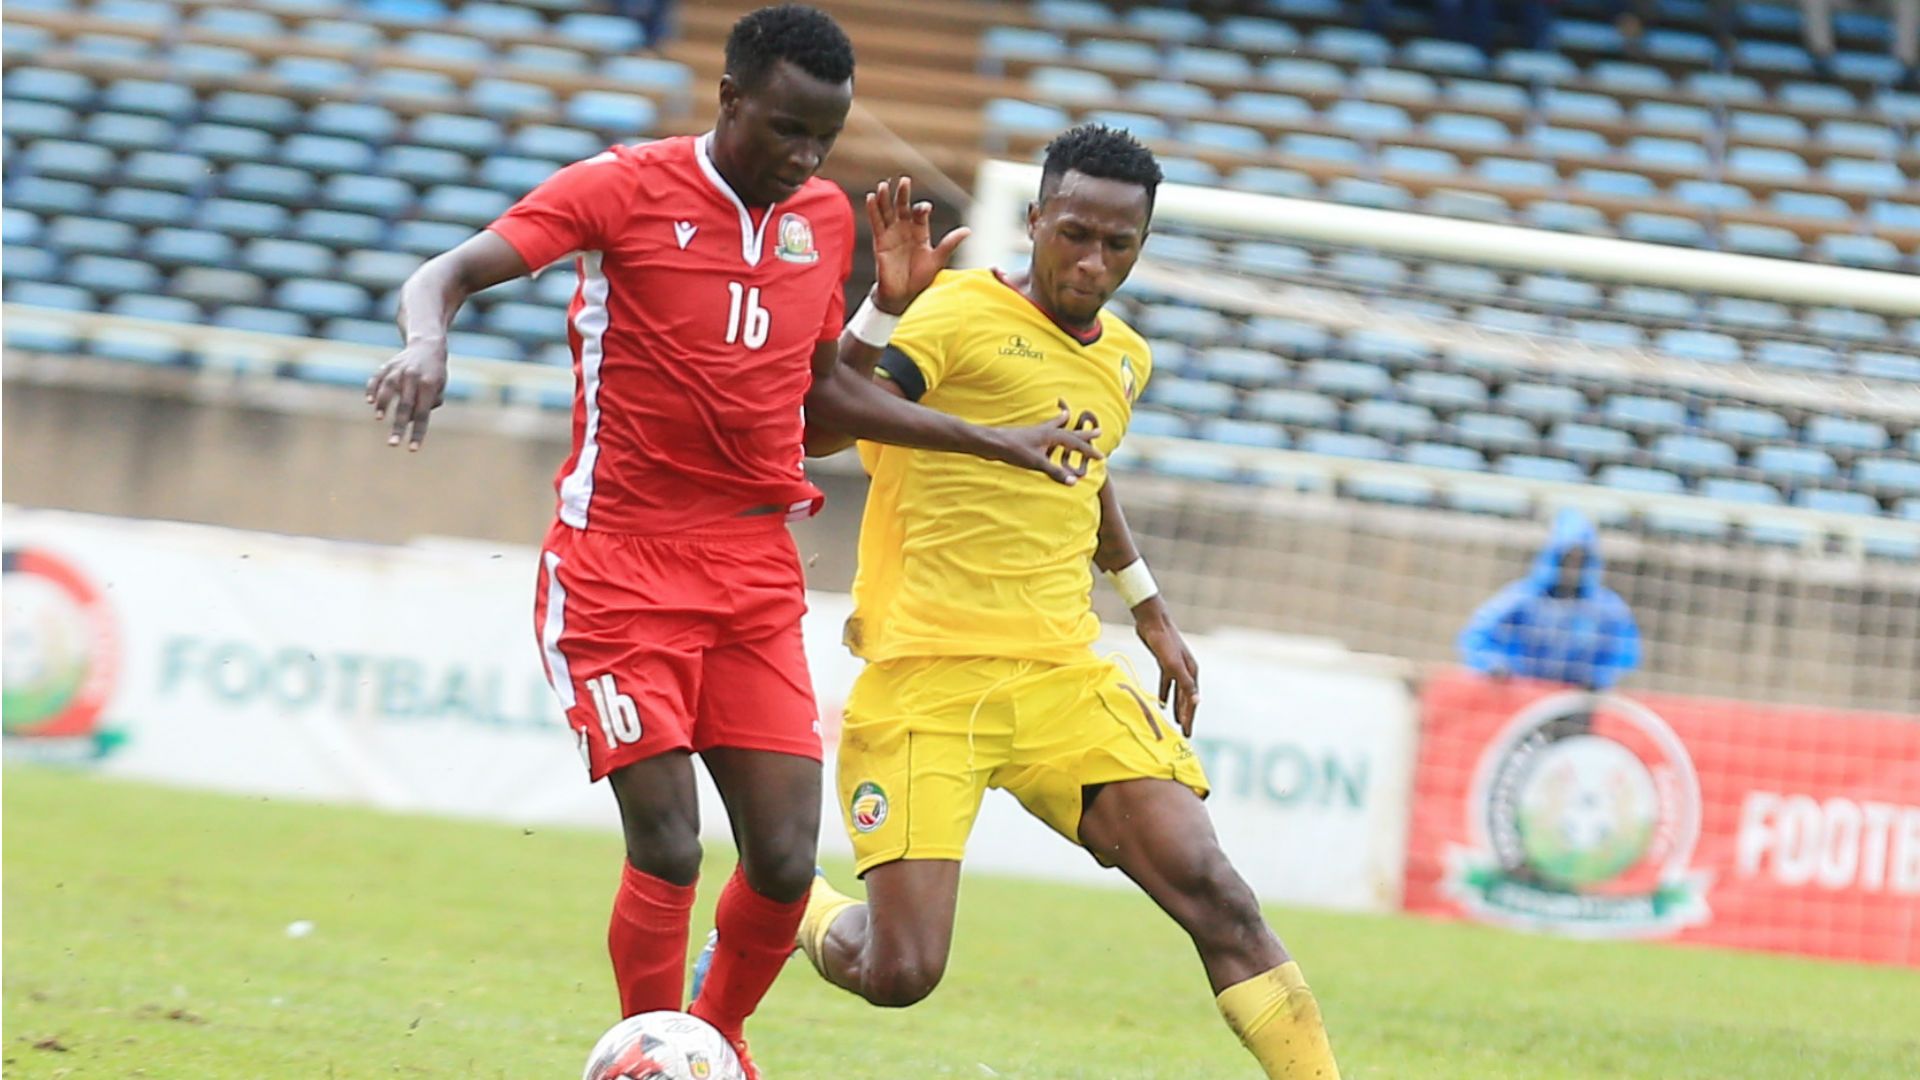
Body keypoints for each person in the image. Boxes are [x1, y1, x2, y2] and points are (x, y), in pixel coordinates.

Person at [364, 7, 1099, 1075]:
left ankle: (712, 1040)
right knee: (664, 841)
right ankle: (646, 1057)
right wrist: (426, 343)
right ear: (730, 101)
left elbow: (815, 407)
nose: (804, 160)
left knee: (789, 860)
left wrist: (916, 358)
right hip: (618, 558)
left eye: (824, 139)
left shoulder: (821, 222)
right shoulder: (619, 187)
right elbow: (446, 273)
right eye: (786, 131)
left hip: (753, 566)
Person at [788, 124, 1342, 1079]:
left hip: (1062, 676)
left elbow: (1086, 475)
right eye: (1074, 233)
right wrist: (882, 305)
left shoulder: (1124, 358)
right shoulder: (955, 315)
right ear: (1036, 218)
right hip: (926, 679)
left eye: (1117, 244)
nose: (1091, 262)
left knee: (1217, 893)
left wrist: (1150, 607)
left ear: (1142, 245)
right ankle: (798, 904)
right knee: (900, 970)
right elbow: (819, 425)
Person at [1458, 508, 1641, 693]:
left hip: (1576, 702)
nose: (1572, 569)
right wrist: (1494, 665)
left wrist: (1598, 677)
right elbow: (1478, 634)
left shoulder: (1606, 608)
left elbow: (1625, 651)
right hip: (1522, 696)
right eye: (1567, 559)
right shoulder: (1523, 598)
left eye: (1580, 561)